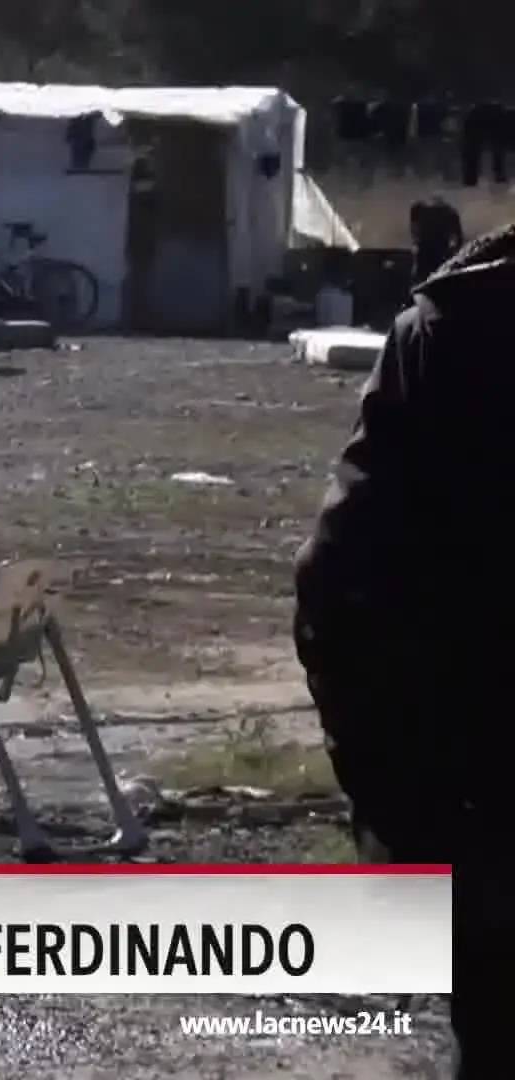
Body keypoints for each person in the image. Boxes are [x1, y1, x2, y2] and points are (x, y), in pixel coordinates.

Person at [293, 225, 515, 1078]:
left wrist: (405, 810)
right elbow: (345, 585)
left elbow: (343, 582)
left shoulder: (463, 326)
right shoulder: (459, 326)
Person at [408, 195, 464, 285]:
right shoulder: (449, 212)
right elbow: (458, 238)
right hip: (441, 252)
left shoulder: (420, 211)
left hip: (427, 253)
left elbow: (414, 232)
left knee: (423, 280)